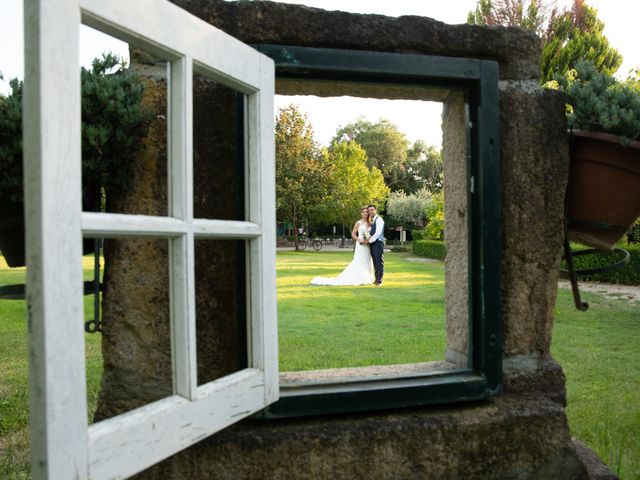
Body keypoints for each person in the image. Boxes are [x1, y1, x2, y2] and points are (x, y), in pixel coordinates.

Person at [310, 207, 374, 286]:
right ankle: (360, 278)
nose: (365, 213)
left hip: (368, 245)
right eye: (363, 212)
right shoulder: (358, 223)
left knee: (367, 260)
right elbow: (353, 233)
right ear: (361, 213)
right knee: (360, 260)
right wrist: (358, 239)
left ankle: (368, 277)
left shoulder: (371, 223)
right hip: (360, 245)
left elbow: (372, 234)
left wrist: (369, 240)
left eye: (366, 212)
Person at [365, 204, 385, 286]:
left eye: (372, 210)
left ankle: (379, 281)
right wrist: (367, 237)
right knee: (375, 262)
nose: (370, 212)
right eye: (369, 210)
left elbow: (378, 233)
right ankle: (376, 279)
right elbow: (371, 232)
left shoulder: (379, 219)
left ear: (375, 210)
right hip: (373, 243)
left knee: (379, 262)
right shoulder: (373, 220)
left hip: (378, 243)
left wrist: (369, 241)